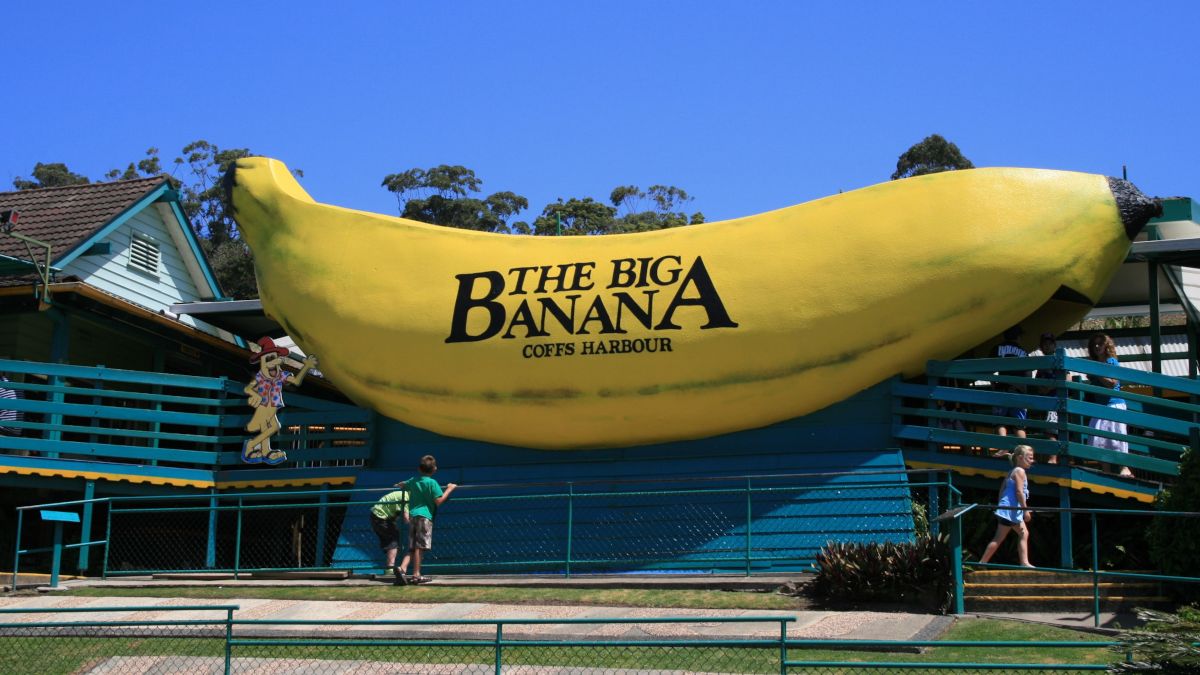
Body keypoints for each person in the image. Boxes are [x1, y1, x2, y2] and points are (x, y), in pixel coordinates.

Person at [242, 337, 318, 465]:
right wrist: (254, 395)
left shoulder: (280, 375)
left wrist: (307, 366)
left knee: (271, 427)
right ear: (262, 361)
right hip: (264, 406)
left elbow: (296, 381)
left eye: (274, 358)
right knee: (273, 427)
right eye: (268, 359)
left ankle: (262, 450)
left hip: (273, 406)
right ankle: (253, 446)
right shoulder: (261, 376)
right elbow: (248, 388)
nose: (273, 363)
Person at [401, 455, 458, 584]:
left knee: (412, 546)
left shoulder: (413, 481)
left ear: (419, 469)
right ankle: (416, 575)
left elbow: (404, 485)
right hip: (425, 516)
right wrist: (449, 489)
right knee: (420, 547)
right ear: (434, 469)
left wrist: (401, 484)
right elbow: (438, 501)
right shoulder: (432, 483)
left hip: (413, 516)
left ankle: (402, 568)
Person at [978, 444, 1036, 568]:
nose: (1032, 460)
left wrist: (1001, 506)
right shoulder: (1020, 471)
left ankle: (1024, 562)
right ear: (1020, 458)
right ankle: (982, 562)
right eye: (1029, 458)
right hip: (1010, 511)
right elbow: (1019, 492)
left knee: (1023, 533)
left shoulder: (1011, 471)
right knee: (1000, 538)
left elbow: (1002, 489)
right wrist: (1025, 510)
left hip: (1009, 510)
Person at [1085, 333, 1132, 477]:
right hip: (1100, 406)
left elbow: (1112, 383)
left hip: (1113, 404)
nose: (1097, 346)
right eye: (1095, 344)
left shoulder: (1111, 361)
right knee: (1100, 439)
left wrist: (1097, 373)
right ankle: (1106, 470)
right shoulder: (1094, 363)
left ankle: (1124, 468)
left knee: (1117, 437)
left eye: (1100, 343)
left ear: (1107, 346)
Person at [991, 326, 1029, 454]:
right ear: (1018, 337)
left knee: (1000, 422)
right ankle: (1023, 452)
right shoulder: (1023, 351)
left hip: (1003, 388)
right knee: (1019, 425)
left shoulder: (998, 348)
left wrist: (993, 384)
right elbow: (1028, 375)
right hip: (1019, 390)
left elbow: (988, 367)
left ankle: (1003, 447)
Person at [369, 483, 410, 582]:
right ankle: (390, 569)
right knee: (393, 540)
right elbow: (406, 519)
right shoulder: (407, 498)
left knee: (390, 540)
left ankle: (389, 568)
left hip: (377, 516)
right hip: (381, 517)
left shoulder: (403, 494)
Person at [1032, 332, 1062, 464]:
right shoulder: (1042, 364)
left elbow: (1067, 378)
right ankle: (1049, 458)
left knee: (1051, 430)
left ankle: (1053, 459)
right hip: (1046, 400)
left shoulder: (1058, 359)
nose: (1047, 346)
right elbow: (1037, 383)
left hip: (1055, 401)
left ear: (1054, 345)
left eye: (1049, 343)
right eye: (1044, 344)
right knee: (1048, 430)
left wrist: (1049, 387)